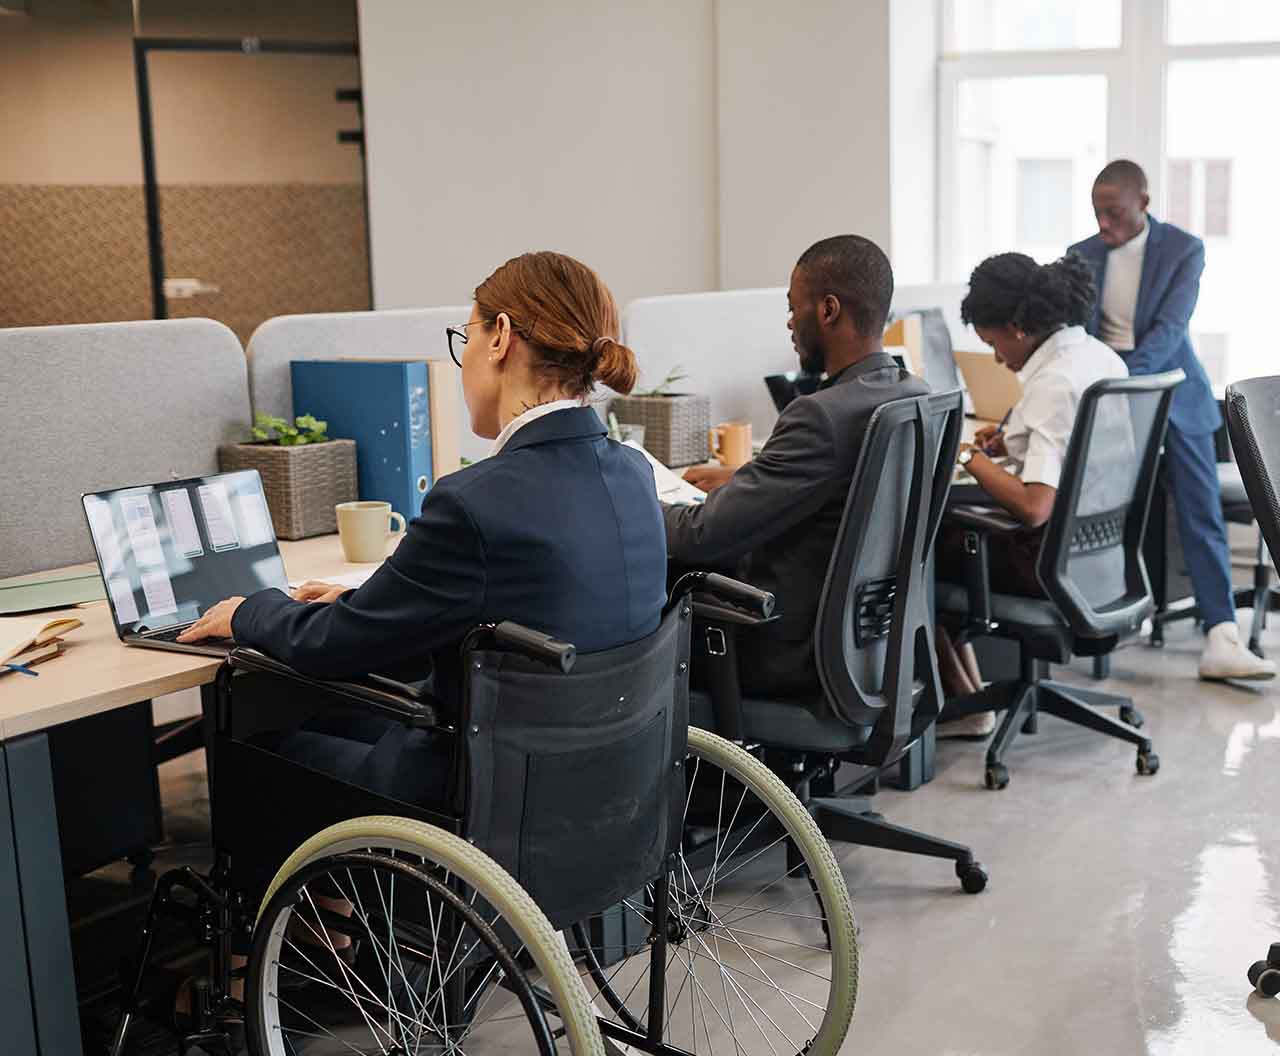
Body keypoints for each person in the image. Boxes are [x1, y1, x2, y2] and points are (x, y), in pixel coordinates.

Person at [178, 250, 669, 805]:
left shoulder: (473, 501)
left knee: (258, 743)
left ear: (500, 337)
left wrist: (249, 610)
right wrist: (375, 599)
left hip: (478, 796)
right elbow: (531, 610)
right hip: (597, 783)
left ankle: (334, 892)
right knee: (342, 716)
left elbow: (333, 646)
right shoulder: (633, 472)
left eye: (466, 339)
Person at [664, 234, 928, 697]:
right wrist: (748, 475)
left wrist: (637, 498)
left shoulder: (819, 416)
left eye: (793, 307)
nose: (789, 323)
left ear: (827, 310)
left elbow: (700, 535)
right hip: (870, 646)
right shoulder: (913, 396)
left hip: (785, 652)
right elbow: (844, 486)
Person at [1069, 159, 1273, 681]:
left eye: (1113, 212)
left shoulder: (1183, 249)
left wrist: (1121, 379)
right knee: (1095, 508)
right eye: (1096, 212)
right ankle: (1093, 625)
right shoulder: (1081, 256)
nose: (1103, 224)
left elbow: (1169, 329)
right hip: (1106, 394)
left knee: (1198, 507)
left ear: (1144, 202)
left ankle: (1222, 635)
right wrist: (1102, 384)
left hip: (1172, 390)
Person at [935, 252, 1130, 737]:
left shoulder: (1054, 381)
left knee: (913, 553)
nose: (998, 359)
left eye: (994, 343)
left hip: (1049, 566)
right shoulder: (1096, 356)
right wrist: (1009, 442)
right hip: (1101, 554)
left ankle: (966, 705)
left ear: (1018, 327)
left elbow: (1034, 506)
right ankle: (972, 699)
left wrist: (965, 457)